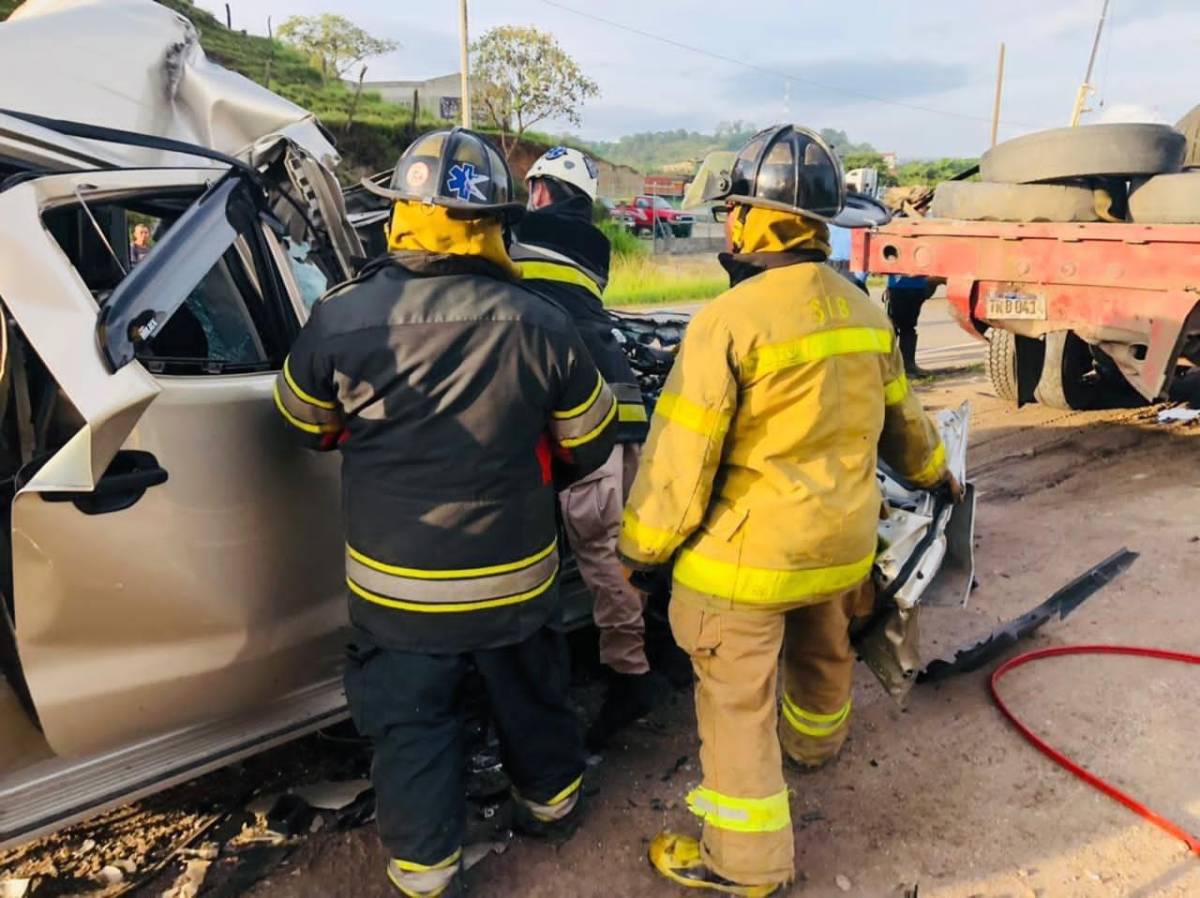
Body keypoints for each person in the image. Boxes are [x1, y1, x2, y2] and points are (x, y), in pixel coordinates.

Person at [275, 128, 618, 898]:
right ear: (499, 222)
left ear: (401, 215)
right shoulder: (543, 320)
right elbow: (590, 443)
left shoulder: (340, 317)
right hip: (515, 586)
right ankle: (551, 803)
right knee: (532, 699)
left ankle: (426, 870)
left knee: (411, 726)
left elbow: (301, 424)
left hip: (397, 593)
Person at [618, 125, 959, 896]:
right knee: (822, 650)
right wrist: (939, 476)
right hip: (840, 547)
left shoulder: (727, 322)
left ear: (745, 220)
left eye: (732, 212)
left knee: (737, 703)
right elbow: (904, 427)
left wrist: (640, 553)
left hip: (744, 566)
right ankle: (815, 748)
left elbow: (680, 463)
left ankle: (745, 864)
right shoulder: (866, 314)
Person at [509, 146, 661, 748]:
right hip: (624, 408)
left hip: (587, 417)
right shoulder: (590, 248)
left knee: (601, 552)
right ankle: (659, 647)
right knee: (633, 546)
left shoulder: (525, 231)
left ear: (541, 192)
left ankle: (631, 678)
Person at [884, 273, 939, 377]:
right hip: (915, 287)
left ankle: (889, 365)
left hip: (898, 287)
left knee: (894, 326)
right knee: (907, 328)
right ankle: (907, 366)